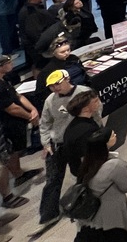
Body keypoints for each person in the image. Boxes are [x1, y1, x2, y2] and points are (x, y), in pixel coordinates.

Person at [38, 68, 94, 226]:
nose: (55, 88)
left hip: (78, 143)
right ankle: (48, 214)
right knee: (53, 179)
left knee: (82, 174)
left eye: (58, 84)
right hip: (57, 144)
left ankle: (86, 204)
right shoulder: (50, 100)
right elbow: (45, 123)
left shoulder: (84, 93)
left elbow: (95, 114)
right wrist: (46, 142)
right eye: (51, 86)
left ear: (67, 79)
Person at [73, 127, 127, 242]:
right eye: (112, 135)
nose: (115, 135)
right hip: (113, 217)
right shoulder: (114, 165)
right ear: (105, 144)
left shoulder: (87, 164)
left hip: (92, 219)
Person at [0, 55, 42, 190]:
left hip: (17, 121)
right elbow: (12, 108)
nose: (12, 64)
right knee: (13, 150)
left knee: (18, 148)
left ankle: (18, 171)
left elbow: (18, 96)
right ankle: (17, 174)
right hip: (9, 124)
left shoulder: (4, 79)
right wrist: (29, 116)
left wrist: (32, 109)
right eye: (8, 62)